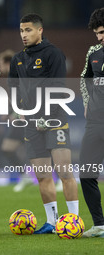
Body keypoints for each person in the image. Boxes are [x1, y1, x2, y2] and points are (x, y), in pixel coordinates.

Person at [8, 14, 79, 233]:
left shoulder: (53, 54)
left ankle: (73, 221)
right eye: (21, 30)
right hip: (31, 124)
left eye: (28, 30)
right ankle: (52, 221)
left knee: (64, 172)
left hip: (55, 121)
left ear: (40, 30)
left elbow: (59, 88)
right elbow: (14, 87)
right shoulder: (17, 59)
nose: (23, 35)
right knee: (42, 175)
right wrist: (18, 109)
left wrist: (47, 118)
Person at [79, 7, 104, 238]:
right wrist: (86, 102)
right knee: (86, 173)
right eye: (97, 33)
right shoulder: (93, 52)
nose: (100, 37)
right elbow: (84, 79)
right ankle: (100, 225)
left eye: (103, 32)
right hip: (95, 122)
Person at [0, 49, 31, 192]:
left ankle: (60, 179)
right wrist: (10, 113)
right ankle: (24, 176)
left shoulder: (20, 75)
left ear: (6, 63)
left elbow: (27, 97)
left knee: (43, 150)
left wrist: (15, 114)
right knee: (7, 149)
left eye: (0, 64)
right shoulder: (11, 79)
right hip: (19, 121)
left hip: (28, 119)